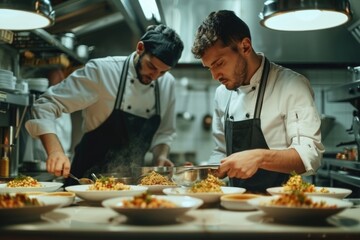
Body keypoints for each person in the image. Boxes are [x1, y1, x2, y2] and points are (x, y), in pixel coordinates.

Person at [25, 24, 184, 185]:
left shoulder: (167, 84)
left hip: (131, 184)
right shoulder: (103, 71)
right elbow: (46, 104)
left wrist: (161, 157)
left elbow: (164, 132)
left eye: (163, 72)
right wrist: (55, 151)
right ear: (140, 48)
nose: (155, 76)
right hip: (86, 180)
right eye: (151, 66)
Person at [191, 10, 324, 193]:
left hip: (283, 204)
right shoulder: (222, 94)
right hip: (235, 204)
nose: (214, 76)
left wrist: (259, 158)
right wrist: (203, 171)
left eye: (219, 63)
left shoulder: (292, 85)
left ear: (245, 46)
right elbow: (221, 152)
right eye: (209, 68)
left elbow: (310, 155)